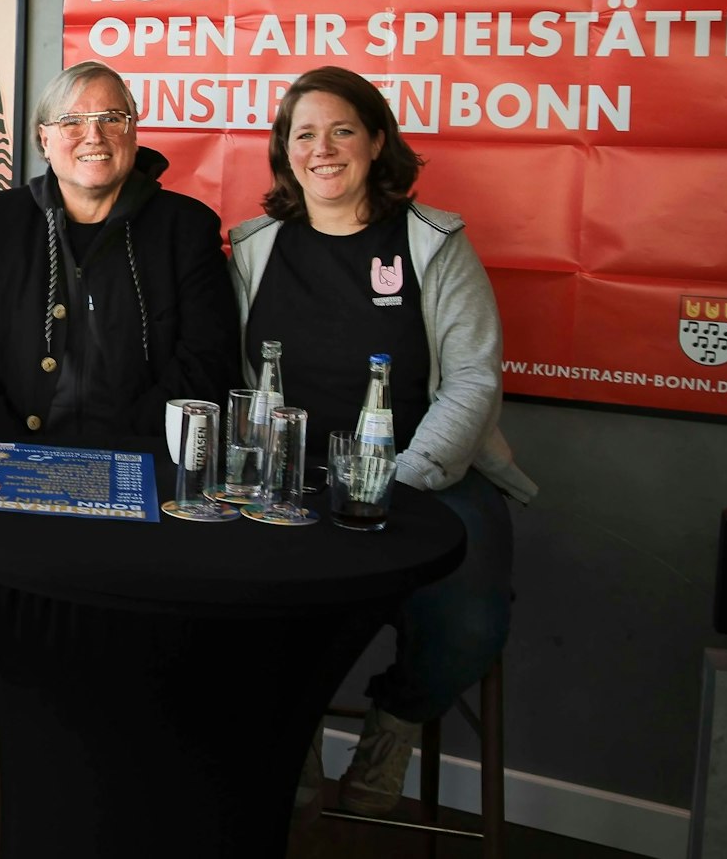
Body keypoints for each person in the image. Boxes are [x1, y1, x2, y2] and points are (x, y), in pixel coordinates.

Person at [227, 65, 537, 814]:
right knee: (244, 599)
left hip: (424, 472)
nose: (323, 149)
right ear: (285, 151)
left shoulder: (433, 242)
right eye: (305, 134)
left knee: (470, 621)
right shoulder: (252, 248)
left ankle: (395, 722)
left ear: (375, 141)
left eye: (342, 130)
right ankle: (291, 728)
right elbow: (232, 375)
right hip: (292, 475)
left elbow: (474, 377)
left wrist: (406, 477)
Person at [0, 60, 241, 765]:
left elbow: (207, 363)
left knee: (144, 576)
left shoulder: (186, 227)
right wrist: (18, 457)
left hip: (137, 465)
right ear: (44, 138)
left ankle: (105, 704)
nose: (92, 135)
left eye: (111, 118)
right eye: (72, 120)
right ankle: (7, 677)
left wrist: (113, 460)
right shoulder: (0, 221)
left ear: (134, 132)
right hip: (15, 458)